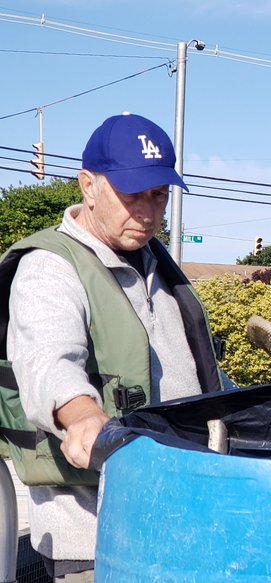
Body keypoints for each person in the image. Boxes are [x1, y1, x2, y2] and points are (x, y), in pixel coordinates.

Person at [0, 113, 227, 581]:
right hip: (96, 534)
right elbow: (48, 363)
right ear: (88, 185)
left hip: (183, 517)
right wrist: (82, 416)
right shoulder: (50, 269)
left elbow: (202, 378)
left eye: (158, 195)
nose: (147, 212)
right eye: (131, 196)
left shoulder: (156, 264)